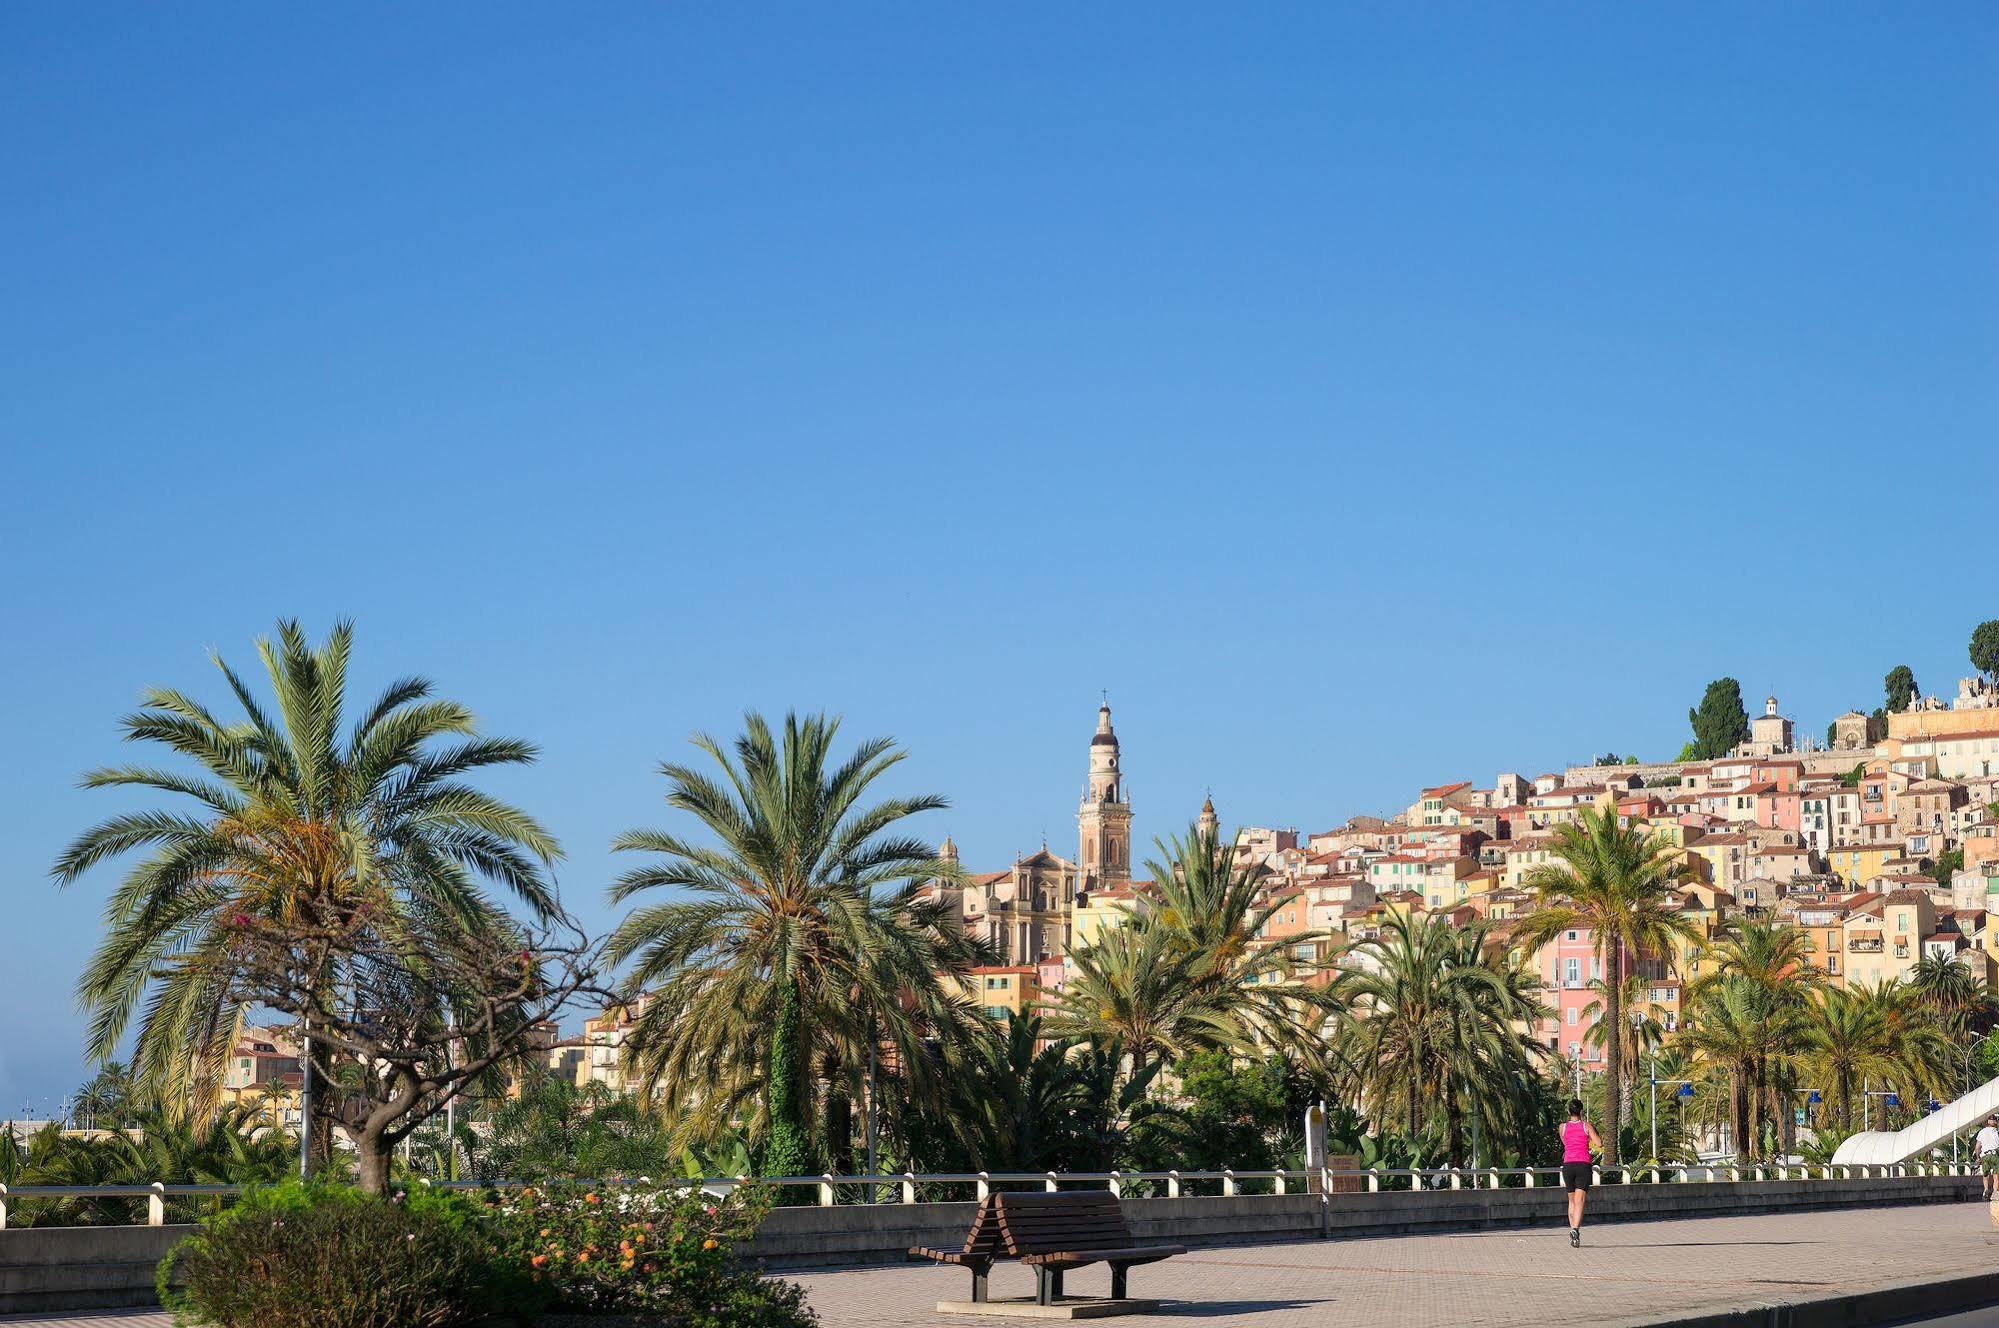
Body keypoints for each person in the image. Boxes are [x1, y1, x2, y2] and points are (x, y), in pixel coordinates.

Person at [1560, 1099, 1603, 1247]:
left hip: (1568, 1165)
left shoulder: (1563, 1127)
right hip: (1583, 1165)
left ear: (1568, 1112)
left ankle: (1573, 1235)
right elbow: (1599, 1143)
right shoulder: (1586, 1126)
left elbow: (1565, 1143)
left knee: (1571, 1200)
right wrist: (1592, 1133)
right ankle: (1575, 1229)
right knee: (1580, 1201)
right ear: (1581, 1111)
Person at [1976, 1116, 1999, 1200]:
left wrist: (1978, 1158)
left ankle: (1986, 1190)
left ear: (1987, 1122)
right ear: (1996, 1122)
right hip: (1996, 1156)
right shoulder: (1997, 1132)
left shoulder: (1981, 1132)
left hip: (1985, 1156)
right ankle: (1995, 1193)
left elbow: (1977, 1147)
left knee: (1986, 1175)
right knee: (1996, 1176)